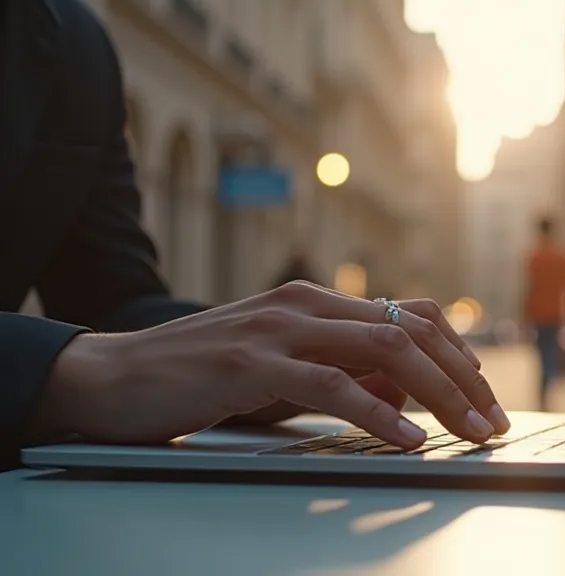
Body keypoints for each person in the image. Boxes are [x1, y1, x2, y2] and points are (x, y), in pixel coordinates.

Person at [0, 0, 509, 470]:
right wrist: (75, 371)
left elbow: (114, 305)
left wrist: (272, 352)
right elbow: (112, 358)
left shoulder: (77, 45)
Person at [523, 217, 565, 409]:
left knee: (543, 351)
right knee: (550, 349)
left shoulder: (534, 257)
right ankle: (549, 380)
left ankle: (545, 386)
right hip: (556, 312)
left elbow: (529, 287)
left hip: (538, 313)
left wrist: (525, 314)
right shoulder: (562, 256)